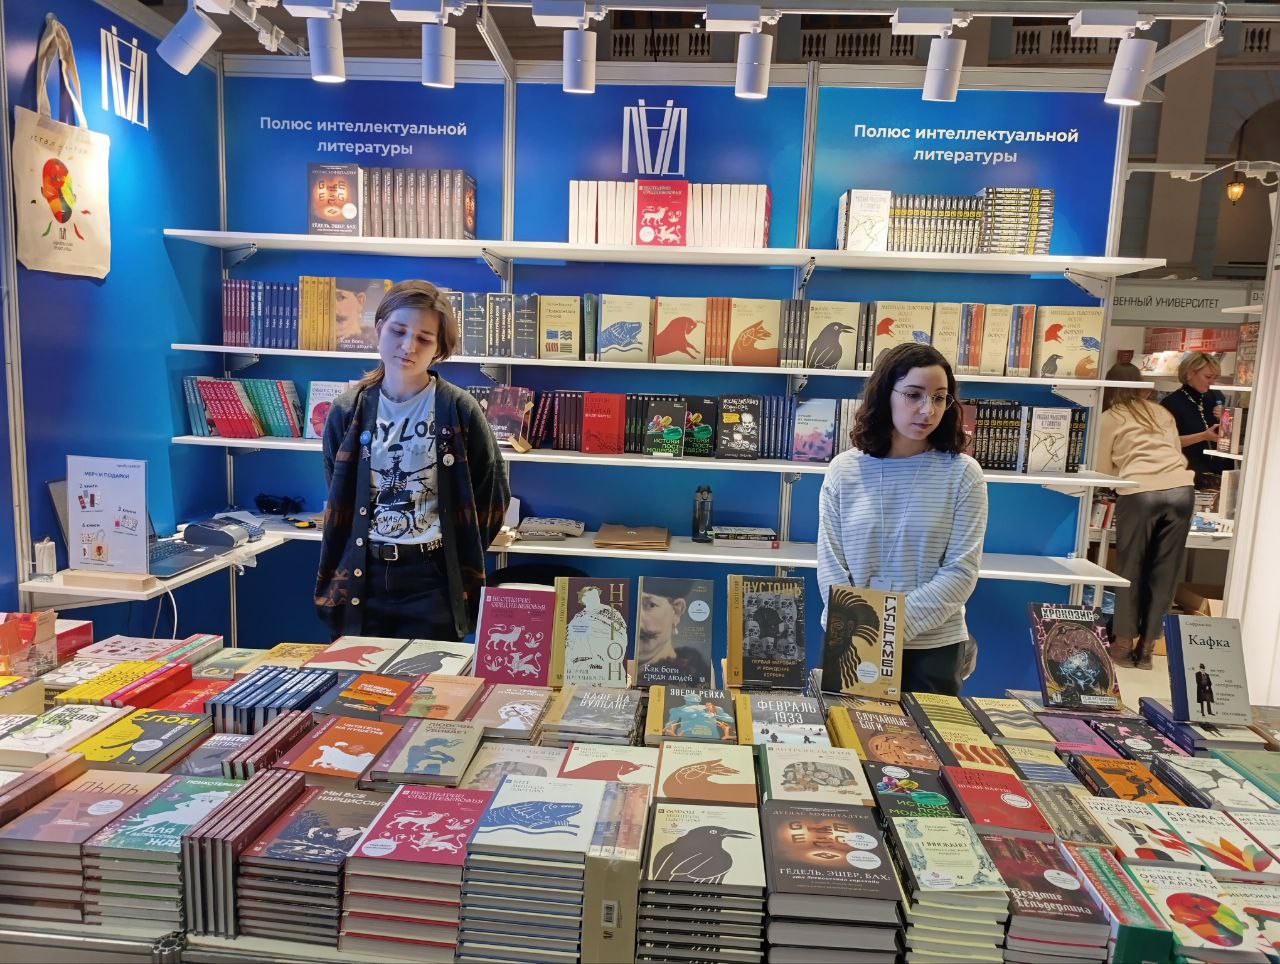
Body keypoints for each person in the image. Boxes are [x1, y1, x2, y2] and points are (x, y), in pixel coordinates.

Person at [316, 279, 510, 641]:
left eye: (424, 338)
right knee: (357, 673)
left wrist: (457, 551)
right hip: (362, 577)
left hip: (433, 580)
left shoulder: (459, 409)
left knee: (432, 676)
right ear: (379, 329)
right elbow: (339, 489)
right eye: (398, 331)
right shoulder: (348, 410)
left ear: (439, 349)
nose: (408, 346)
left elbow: (492, 493)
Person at [817, 342, 988, 696]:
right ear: (885, 395)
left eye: (940, 398)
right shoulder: (844, 470)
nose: (928, 410)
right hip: (852, 641)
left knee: (927, 733)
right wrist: (862, 630)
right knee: (848, 729)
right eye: (914, 395)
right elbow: (831, 563)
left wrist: (886, 631)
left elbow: (961, 571)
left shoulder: (963, 474)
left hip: (933, 648)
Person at [1095, 361, 1195, 669]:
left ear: (1109, 387)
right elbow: (1175, 450)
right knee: (1166, 572)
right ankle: (1149, 648)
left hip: (1140, 493)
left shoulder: (1110, 417)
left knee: (1130, 569)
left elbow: (1101, 469)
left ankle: (1123, 645)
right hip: (1182, 491)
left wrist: (1122, 474)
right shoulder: (1161, 412)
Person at [1159, 351, 1226, 490]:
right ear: (1190, 374)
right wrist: (1203, 436)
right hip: (1185, 474)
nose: (1212, 382)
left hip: (1216, 473)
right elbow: (1165, 442)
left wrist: (1226, 419)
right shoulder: (1171, 403)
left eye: (1215, 377)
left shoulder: (1215, 397)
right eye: (1208, 377)